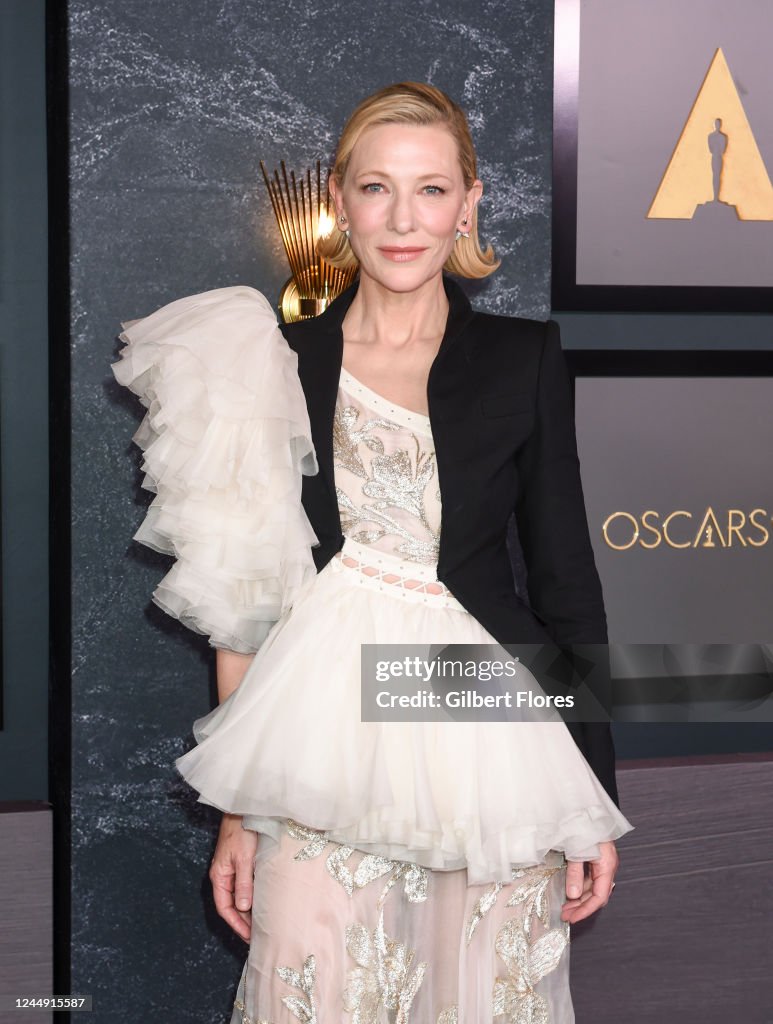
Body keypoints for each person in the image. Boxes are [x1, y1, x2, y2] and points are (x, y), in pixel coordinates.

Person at [112, 82, 633, 1023]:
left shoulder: (523, 356)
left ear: (468, 203)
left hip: (496, 751)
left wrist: (590, 793)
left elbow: (564, 582)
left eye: (431, 191)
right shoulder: (269, 359)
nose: (403, 219)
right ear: (340, 200)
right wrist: (241, 812)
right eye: (376, 188)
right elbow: (245, 599)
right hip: (318, 751)